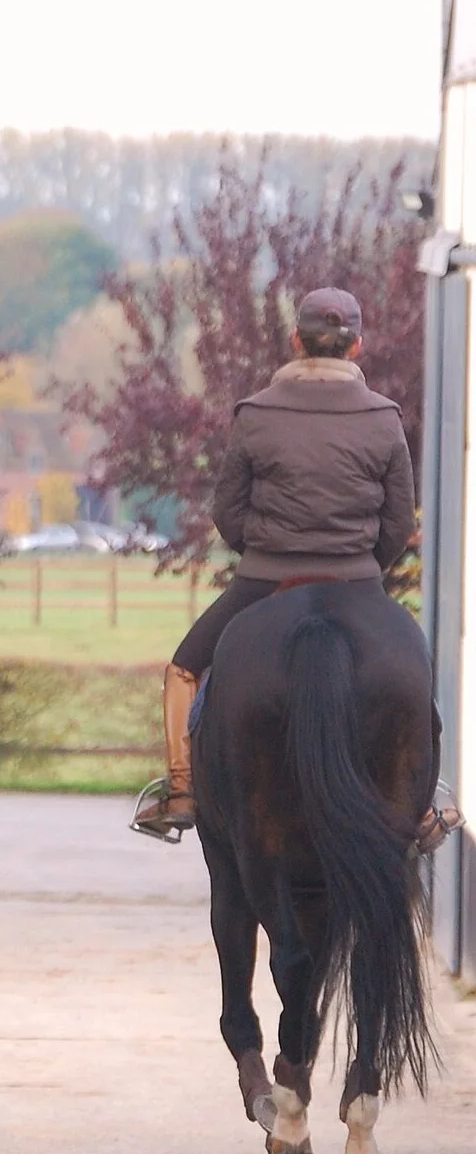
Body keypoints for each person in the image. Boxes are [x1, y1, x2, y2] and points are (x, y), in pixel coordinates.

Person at [133, 287, 454, 844]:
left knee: (183, 669)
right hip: (357, 580)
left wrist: (262, 553)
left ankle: (181, 787)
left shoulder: (256, 414)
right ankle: (421, 806)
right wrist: (363, 568)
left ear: (295, 341)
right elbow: (399, 521)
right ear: (357, 346)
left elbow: (227, 510)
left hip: (263, 580)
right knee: (414, 671)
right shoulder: (384, 418)